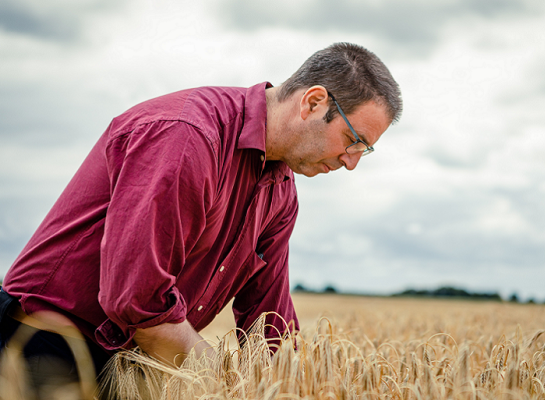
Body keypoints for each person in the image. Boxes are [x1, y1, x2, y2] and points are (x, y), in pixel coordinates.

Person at [0, 42, 402, 387]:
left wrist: (293, 385)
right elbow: (137, 303)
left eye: (363, 151)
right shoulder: (188, 136)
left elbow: (268, 322)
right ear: (313, 103)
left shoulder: (280, 190)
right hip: (44, 348)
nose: (351, 163)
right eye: (353, 140)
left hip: (134, 361)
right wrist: (225, 384)